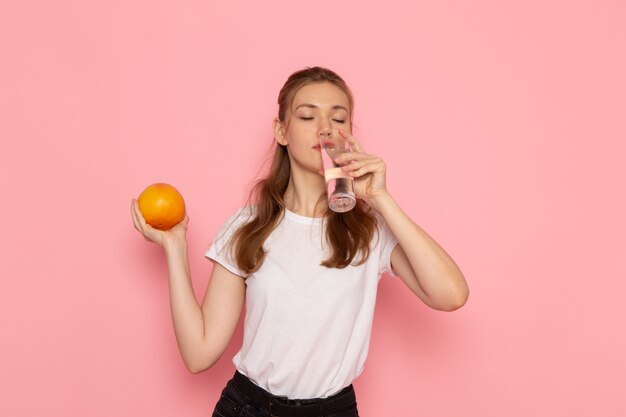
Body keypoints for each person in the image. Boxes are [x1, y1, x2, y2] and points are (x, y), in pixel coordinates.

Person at [131, 66, 469, 417]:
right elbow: (199, 355)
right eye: (307, 115)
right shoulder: (247, 226)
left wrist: (380, 198)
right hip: (248, 407)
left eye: (339, 119)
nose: (325, 128)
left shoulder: (368, 230)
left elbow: (451, 295)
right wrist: (175, 247)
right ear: (281, 131)